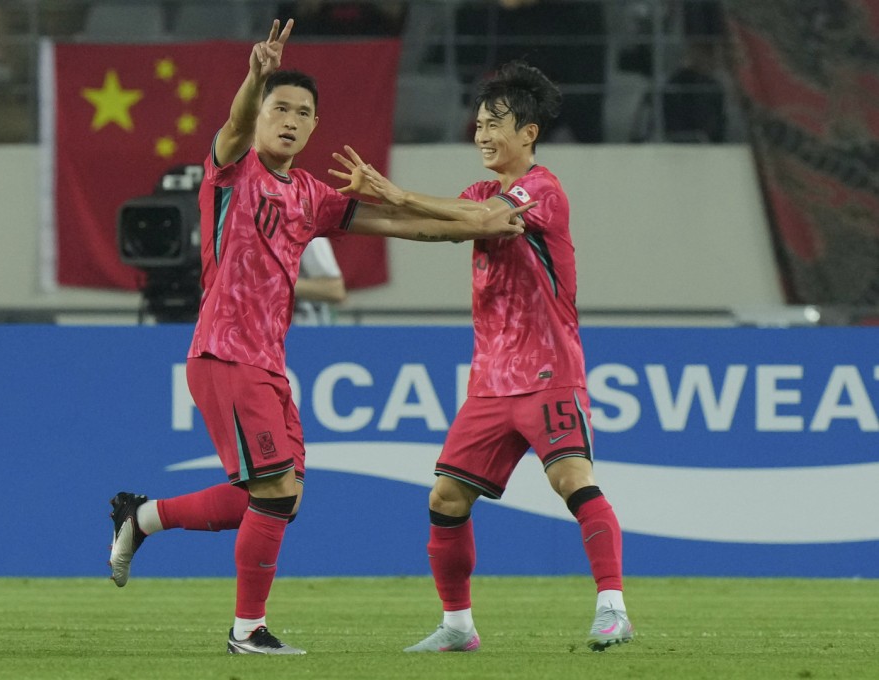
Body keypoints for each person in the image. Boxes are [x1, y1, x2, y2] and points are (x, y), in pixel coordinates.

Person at [107, 18, 533, 656]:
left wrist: (471, 227)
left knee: (270, 496)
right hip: (223, 353)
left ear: (313, 128)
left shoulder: (309, 195)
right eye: (279, 107)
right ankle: (246, 631)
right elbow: (231, 123)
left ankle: (141, 517)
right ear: (259, 117)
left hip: (269, 364)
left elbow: (394, 223)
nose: (289, 118)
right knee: (274, 489)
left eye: (303, 112)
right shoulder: (231, 172)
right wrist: (256, 75)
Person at [330, 60, 634, 653]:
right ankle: (458, 627)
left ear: (529, 133)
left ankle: (613, 608)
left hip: (549, 373)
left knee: (572, 480)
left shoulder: (542, 190)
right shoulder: (476, 194)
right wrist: (331, 218)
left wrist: (398, 192)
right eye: (477, 125)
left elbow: (491, 221)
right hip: (491, 384)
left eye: (496, 123)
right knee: (446, 498)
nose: (483, 134)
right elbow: (436, 226)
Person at [294, 237, 346, 325]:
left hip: (307, 330)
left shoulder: (309, 235)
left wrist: (281, 285)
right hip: (268, 330)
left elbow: (335, 290)